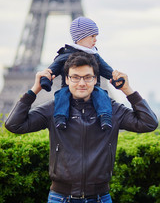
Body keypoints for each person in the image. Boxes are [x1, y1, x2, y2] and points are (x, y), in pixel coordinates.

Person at [5, 52, 158, 203]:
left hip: (100, 197)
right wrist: (34, 90)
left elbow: (149, 123)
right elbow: (14, 125)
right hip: (60, 197)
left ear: (95, 79)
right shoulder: (54, 109)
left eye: (87, 77)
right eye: (75, 77)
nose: (82, 83)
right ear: (66, 79)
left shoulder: (112, 110)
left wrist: (127, 90)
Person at [40, 16, 124, 130]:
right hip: (69, 87)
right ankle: (60, 117)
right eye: (92, 36)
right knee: (61, 96)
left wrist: (115, 77)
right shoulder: (65, 55)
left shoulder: (95, 55)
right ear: (80, 38)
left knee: (102, 95)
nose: (95, 40)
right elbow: (51, 70)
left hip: (92, 86)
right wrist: (45, 79)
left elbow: (107, 70)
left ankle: (105, 117)